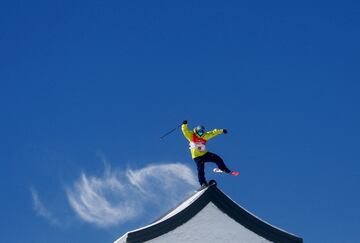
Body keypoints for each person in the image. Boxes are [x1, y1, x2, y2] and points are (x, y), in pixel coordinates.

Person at [181, 120, 236, 188]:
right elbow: (185, 131)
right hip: (197, 157)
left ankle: (223, 168)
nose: (201, 134)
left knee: (217, 158)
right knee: (200, 169)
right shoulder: (191, 136)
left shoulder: (205, 136)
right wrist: (184, 125)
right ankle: (203, 183)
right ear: (197, 131)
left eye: (202, 133)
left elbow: (213, 133)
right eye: (200, 132)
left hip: (205, 154)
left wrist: (221, 131)